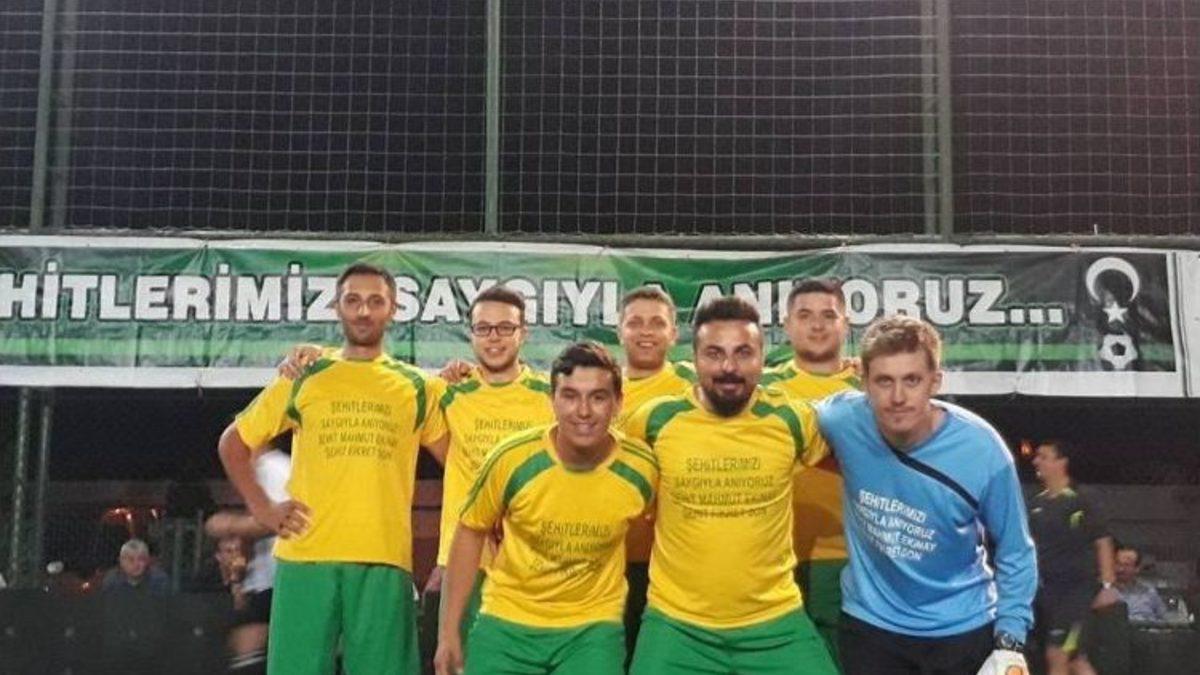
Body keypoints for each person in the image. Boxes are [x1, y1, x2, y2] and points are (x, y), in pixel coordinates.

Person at [217, 262, 449, 675]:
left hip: (383, 560)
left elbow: (461, 465)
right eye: (353, 300)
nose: (364, 311)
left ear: (393, 309)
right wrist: (263, 510)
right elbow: (233, 443)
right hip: (306, 557)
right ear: (336, 307)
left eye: (375, 301)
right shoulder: (304, 375)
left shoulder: (418, 386)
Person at [623, 295, 837, 675]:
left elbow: (866, 457)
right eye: (714, 353)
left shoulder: (793, 420)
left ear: (763, 358)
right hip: (675, 625)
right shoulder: (654, 421)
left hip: (776, 623)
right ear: (693, 359)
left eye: (743, 353)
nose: (728, 367)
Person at [815, 315, 1036, 675]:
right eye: (884, 381)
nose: (898, 397)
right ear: (864, 381)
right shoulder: (840, 420)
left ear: (935, 381)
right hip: (871, 629)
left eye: (912, 380)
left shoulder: (983, 451)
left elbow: (1015, 550)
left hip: (963, 630)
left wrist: (1010, 639)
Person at [434, 342, 658, 675]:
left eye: (598, 397)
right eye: (569, 396)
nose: (583, 411)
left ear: (618, 403)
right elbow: (470, 530)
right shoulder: (511, 459)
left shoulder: (642, 469)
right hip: (508, 619)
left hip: (592, 627)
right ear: (551, 401)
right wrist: (448, 632)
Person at [761, 278, 859, 668]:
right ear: (786, 325)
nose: (817, 325)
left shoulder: (871, 387)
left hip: (846, 557)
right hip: (767, 563)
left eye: (828, 315)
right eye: (805, 315)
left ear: (845, 324)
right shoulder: (760, 388)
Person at [613, 285, 695, 659]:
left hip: (674, 565)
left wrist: (848, 368)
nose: (646, 331)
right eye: (635, 322)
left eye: (657, 323)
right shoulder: (595, 387)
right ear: (620, 331)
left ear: (673, 334)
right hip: (605, 559)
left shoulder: (695, 385)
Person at [1027, 439, 1118, 675]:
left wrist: (1108, 585)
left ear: (1062, 462)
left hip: (1076, 592)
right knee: (1076, 661)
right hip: (1047, 593)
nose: (1036, 461)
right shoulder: (1035, 504)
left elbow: (1102, 540)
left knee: (1057, 655)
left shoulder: (1082, 498)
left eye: (1044, 457)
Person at [205, 448, 293, 675]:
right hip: (263, 583)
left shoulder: (279, 469)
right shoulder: (250, 473)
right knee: (244, 647)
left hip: (285, 580)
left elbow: (289, 518)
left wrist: (228, 525)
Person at [1114, 546, 1169, 623]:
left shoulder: (1149, 592)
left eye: (1126, 565)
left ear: (1137, 568)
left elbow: (1164, 621)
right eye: (1117, 564)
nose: (1121, 569)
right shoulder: (1103, 592)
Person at [100, 538, 170, 595]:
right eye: (131, 559)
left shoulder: (159, 580)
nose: (136, 564)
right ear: (121, 561)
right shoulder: (111, 580)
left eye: (141, 559)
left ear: (148, 561)